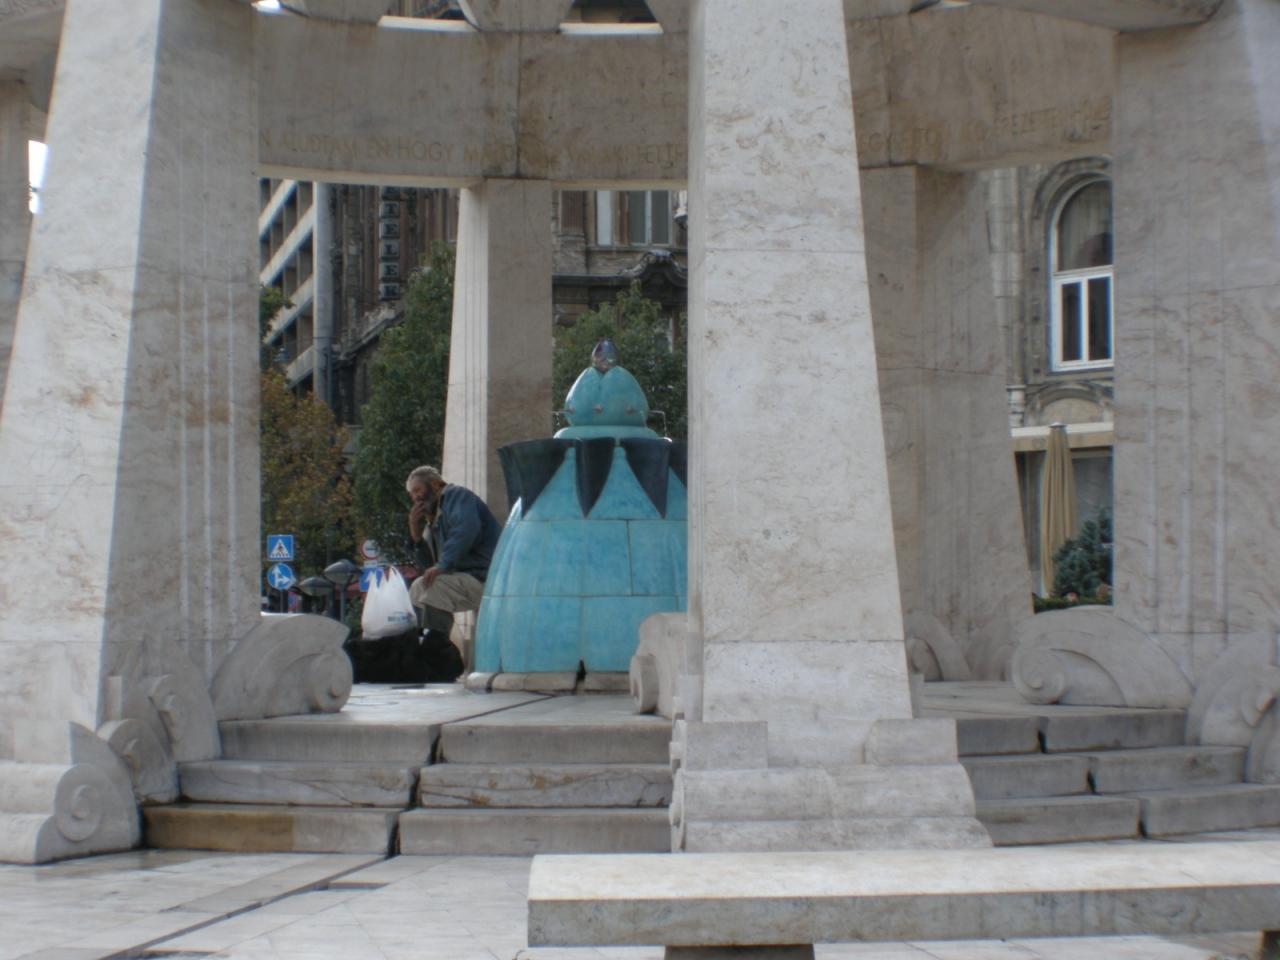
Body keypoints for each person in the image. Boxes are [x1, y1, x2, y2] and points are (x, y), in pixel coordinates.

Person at [404, 465, 501, 676]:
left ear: (435, 484)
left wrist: (443, 565)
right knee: (419, 587)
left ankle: (436, 658)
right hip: (464, 579)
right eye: (411, 494)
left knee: (436, 586)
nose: (415, 498)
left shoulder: (457, 496)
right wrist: (416, 535)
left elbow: (465, 530)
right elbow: (428, 567)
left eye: (418, 490)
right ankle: (419, 648)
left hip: (485, 578)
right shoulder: (434, 518)